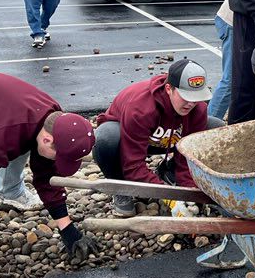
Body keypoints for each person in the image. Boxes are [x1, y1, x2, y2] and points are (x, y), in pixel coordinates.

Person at [0, 70, 98, 262]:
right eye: (59, 157)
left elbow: (47, 175)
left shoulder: (53, 119)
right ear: (48, 140)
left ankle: (7, 189)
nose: (57, 163)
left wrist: (67, 229)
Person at [93, 58, 222, 217]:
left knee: (216, 128)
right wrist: (169, 198)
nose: (190, 103)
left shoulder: (198, 109)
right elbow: (133, 166)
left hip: (168, 138)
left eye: (195, 98)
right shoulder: (141, 109)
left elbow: (187, 158)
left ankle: (168, 172)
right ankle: (119, 187)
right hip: (128, 138)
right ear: (169, 88)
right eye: (185, 96)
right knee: (105, 139)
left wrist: (189, 194)